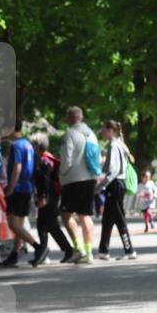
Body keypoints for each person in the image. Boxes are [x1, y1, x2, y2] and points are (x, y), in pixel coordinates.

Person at [58, 106, 98, 264]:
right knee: (85, 215)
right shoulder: (91, 134)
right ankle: (89, 252)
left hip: (73, 180)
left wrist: (61, 174)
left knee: (66, 214)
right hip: (90, 178)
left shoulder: (70, 134)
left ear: (70, 118)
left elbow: (66, 160)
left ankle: (78, 248)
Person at [0, 124, 40, 267]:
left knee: (13, 225)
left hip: (17, 188)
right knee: (20, 225)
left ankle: (38, 247)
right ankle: (15, 254)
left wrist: (10, 188)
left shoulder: (15, 145)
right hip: (27, 187)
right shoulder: (28, 144)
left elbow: (17, 167)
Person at [29, 132, 72, 266]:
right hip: (50, 196)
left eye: (33, 145)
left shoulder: (44, 161)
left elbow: (45, 181)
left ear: (37, 146)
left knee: (51, 225)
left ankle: (68, 250)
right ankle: (43, 252)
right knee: (43, 224)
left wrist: (43, 197)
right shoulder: (47, 158)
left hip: (49, 197)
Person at [95, 120, 136, 260]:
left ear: (111, 130)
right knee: (108, 218)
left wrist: (100, 186)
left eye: (104, 130)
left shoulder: (113, 145)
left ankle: (129, 250)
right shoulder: (119, 144)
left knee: (119, 218)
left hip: (115, 184)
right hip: (117, 184)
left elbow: (113, 170)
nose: (103, 132)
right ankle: (103, 250)